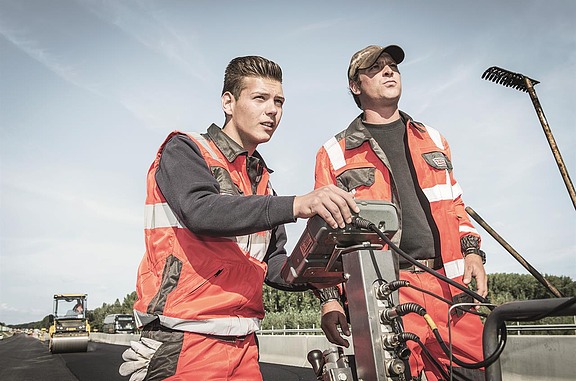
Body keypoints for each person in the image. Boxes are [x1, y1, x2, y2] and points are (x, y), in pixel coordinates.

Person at [119, 55, 358, 381]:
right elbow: (200, 211)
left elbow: (275, 266)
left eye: (279, 101)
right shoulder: (187, 150)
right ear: (228, 102)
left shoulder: (263, 184)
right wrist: (297, 205)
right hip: (185, 338)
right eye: (260, 98)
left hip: (244, 343)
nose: (272, 110)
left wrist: (328, 287)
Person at [313, 44, 488, 381]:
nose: (389, 71)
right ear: (355, 86)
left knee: (479, 373)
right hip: (387, 293)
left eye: (392, 65)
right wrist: (329, 300)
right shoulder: (335, 152)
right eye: (375, 68)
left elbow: (454, 204)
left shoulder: (432, 138)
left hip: (449, 289)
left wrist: (473, 253)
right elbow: (326, 236)